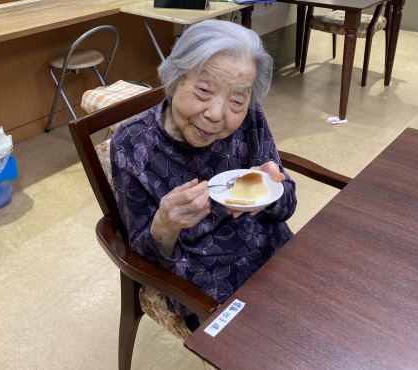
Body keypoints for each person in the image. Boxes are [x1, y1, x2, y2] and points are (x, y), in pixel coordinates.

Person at [110, 20, 297, 331]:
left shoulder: (250, 117)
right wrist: (166, 224)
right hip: (206, 285)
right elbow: (144, 259)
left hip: (276, 255)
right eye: (204, 90)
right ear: (174, 80)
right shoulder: (133, 143)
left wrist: (275, 192)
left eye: (236, 100)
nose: (215, 114)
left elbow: (287, 207)